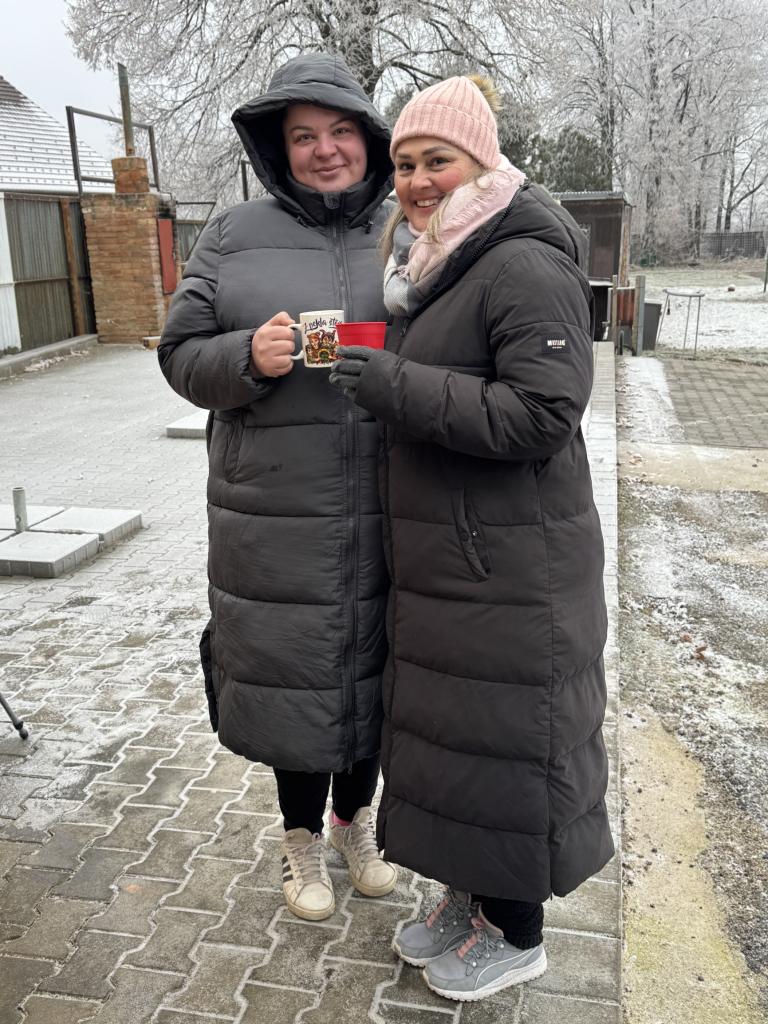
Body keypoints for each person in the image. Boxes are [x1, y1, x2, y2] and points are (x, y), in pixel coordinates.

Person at [329, 75, 614, 1001]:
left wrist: (392, 385)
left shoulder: (522, 261)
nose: (417, 180)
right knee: (462, 744)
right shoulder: (440, 260)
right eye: (405, 163)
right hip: (458, 561)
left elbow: (544, 412)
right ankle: (472, 899)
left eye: (437, 161)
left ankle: (518, 931)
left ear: (482, 163)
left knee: (509, 745)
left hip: (513, 565)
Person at [158, 53, 397, 923]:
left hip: (390, 504)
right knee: (299, 679)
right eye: (303, 136)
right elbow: (179, 353)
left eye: (339, 132)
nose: (324, 150)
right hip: (275, 514)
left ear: (369, 138)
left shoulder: (411, 228)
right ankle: (300, 839)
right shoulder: (231, 235)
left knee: (375, 679)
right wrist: (245, 358)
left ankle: (354, 824)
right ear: (278, 148)